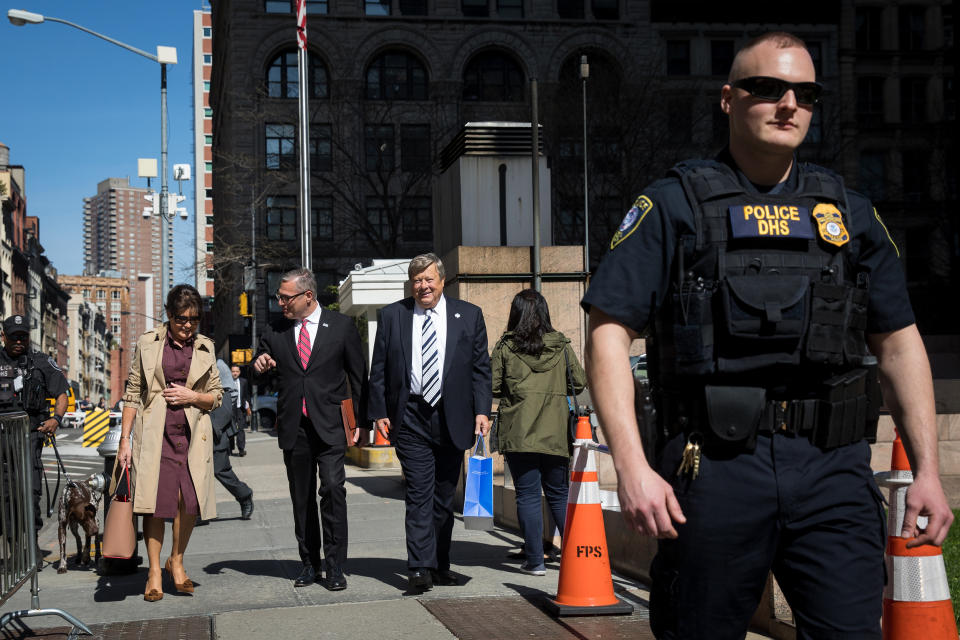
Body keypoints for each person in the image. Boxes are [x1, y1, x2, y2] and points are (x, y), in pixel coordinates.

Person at [582, 32, 954, 639]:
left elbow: (899, 342)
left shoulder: (851, 213)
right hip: (715, 467)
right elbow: (607, 335)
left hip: (832, 469)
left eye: (805, 93)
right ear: (728, 99)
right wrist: (631, 465)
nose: (788, 104)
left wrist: (928, 475)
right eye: (767, 88)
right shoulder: (671, 205)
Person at [368, 253, 492, 592]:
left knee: (442, 498)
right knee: (419, 494)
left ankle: (439, 564)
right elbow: (378, 368)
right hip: (410, 416)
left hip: (453, 417)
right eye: (417, 281)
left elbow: (481, 368)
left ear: (442, 281)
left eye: (428, 280)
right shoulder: (394, 315)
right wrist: (379, 412)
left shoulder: (469, 316)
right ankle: (419, 567)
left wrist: (483, 410)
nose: (423, 286)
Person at [253, 267, 366, 591]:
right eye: (279, 296)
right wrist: (259, 364)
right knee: (301, 499)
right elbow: (258, 373)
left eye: (285, 297)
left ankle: (334, 567)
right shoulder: (275, 331)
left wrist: (359, 423)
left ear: (308, 297)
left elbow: (359, 378)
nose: (280, 302)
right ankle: (309, 564)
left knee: (332, 489)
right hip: (294, 427)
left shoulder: (341, 327)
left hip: (331, 424)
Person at [114, 284, 223, 602]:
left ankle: (176, 558)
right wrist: (125, 440)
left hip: (190, 437)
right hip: (154, 435)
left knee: (187, 502)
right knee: (155, 504)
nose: (187, 325)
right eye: (180, 318)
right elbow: (133, 391)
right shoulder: (148, 343)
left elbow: (216, 395)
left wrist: (193, 396)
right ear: (168, 314)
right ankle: (153, 571)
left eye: (194, 319)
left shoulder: (205, 347)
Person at [491, 290, 585, 576]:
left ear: (515, 314)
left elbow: (493, 386)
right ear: (544, 313)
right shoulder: (562, 346)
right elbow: (578, 382)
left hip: (519, 433)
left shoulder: (506, 347)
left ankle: (535, 561)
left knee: (528, 496)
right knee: (558, 495)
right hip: (555, 433)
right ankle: (575, 559)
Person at [0, 314, 69, 568]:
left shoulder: (40, 362)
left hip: (29, 437)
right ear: (3, 336)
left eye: (23, 336)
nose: (19, 340)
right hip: (1, 440)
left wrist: (56, 420)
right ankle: (14, 551)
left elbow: (62, 393)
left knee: (30, 493)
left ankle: (31, 550)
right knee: (5, 496)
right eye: (14, 336)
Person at [211, 359, 255, 520]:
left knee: (220, 470)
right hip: (195, 429)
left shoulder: (218, 365)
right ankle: (198, 512)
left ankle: (244, 495)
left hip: (216, 429)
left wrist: (216, 426)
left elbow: (229, 399)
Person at [228, 365, 249, 456]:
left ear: (239, 372)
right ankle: (230, 449)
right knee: (230, 429)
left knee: (240, 429)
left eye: (236, 371)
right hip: (230, 409)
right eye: (233, 371)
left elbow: (247, 395)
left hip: (240, 408)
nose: (235, 373)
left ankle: (241, 449)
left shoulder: (244, 382)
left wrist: (248, 407)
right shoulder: (227, 382)